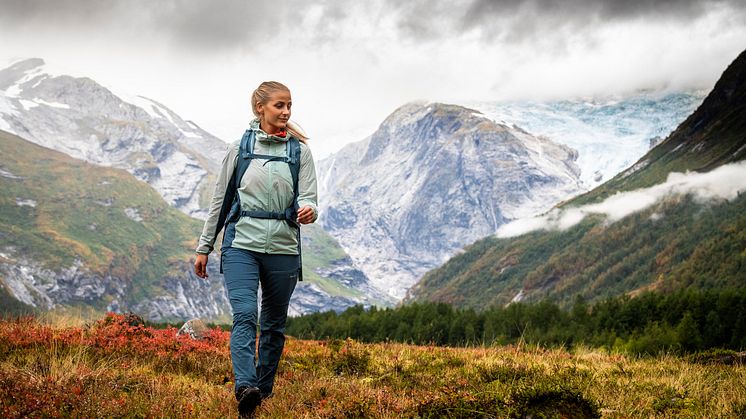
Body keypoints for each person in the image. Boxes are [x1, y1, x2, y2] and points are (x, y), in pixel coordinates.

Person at [193, 81, 318, 417]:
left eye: (290, 105)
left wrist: (309, 210)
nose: (286, 112)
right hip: (241, 245)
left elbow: (309, 198)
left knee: (274, 324)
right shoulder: (239, 149)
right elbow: (220, 202)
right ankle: (245, 387)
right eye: (280, 105)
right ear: (260, 107)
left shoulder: (300, 153)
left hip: (283, 246)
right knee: (246, 314)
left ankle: (260, 395)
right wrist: (204, 247)